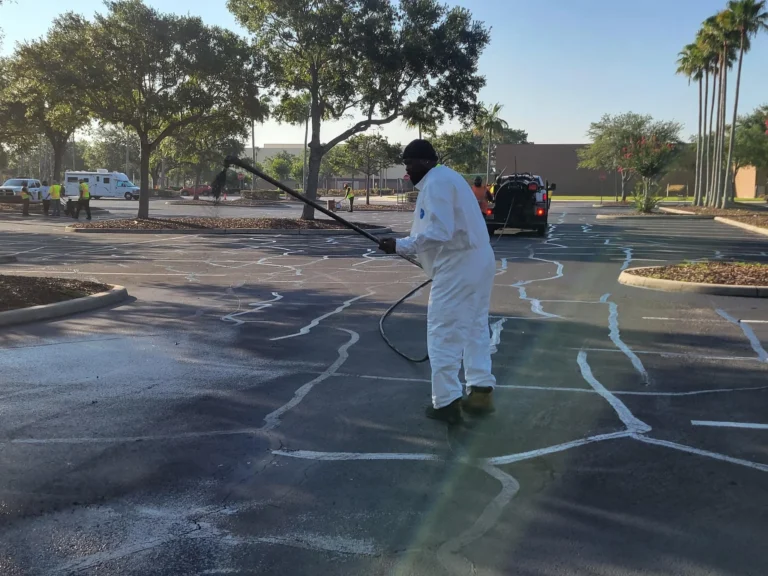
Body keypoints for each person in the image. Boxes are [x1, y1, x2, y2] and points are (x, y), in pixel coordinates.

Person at [378, 139, 496, 424]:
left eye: (409, 163)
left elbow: (439, 231)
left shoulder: (436, 182)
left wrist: (400, 245)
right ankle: (480, 392)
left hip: (459, 267)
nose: (407, 170)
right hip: (477, 262)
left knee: (444, 331)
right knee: (474, 327)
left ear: (426, 161)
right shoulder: (447, 177)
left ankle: (446, 403)